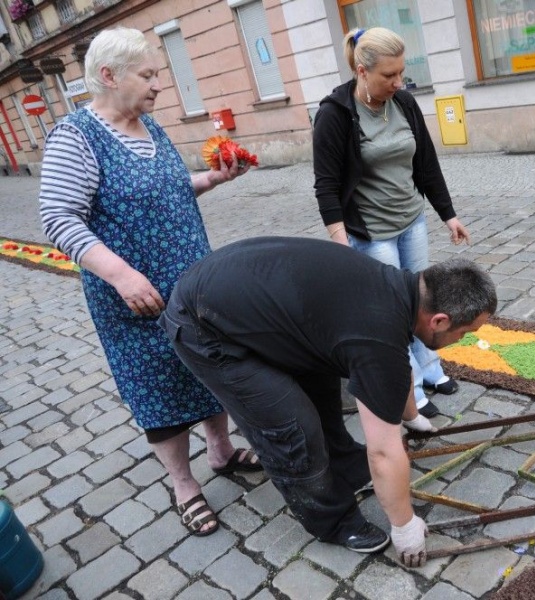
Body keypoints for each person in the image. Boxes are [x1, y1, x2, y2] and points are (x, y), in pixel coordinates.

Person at [38, 27, 259, 538]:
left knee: (208, 369)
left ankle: (221, 451)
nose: (160, 84)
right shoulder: (76, 136)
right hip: (136, 300)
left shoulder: (149, 126)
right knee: (157, 385)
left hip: (193, 287)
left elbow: (172, 191)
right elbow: (58, 217)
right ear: (109, 76)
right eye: (149, 74)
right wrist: (120, 274)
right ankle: (184, 484)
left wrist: (214, 179)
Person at [159, 237, 497, 565]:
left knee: (323, 391)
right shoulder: (377, 334)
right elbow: (382, 451)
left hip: (235, 295)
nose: (460, 340)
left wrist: (410, 416)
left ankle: (345, 467)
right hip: (202, 324)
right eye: (464, 333)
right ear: (439, 320)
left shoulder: (398, 291)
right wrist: (405, 525)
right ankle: (331, 520)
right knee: (292, 427)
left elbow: (398, 369)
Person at [313, 26, 470, 419]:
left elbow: (426, 163)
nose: (399, 82)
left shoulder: (404, 103)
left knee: (422, 302)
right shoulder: (334, 115)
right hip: (371, 233)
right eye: (389, 75)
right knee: (392, 313)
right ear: (362, 71)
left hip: (411, 220)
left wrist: (447, 214)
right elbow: (326, 186)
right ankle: (409, 390)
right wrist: (340, 239)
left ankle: (431, 370)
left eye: (401, 72)